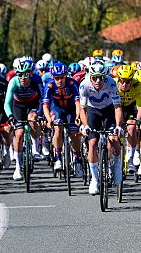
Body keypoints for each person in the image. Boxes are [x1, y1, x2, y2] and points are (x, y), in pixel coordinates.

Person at [80, 61, 124, 196]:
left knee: (113, 137)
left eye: (101, 78)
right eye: (95, 78)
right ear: (90, 77)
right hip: (93, 111)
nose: (98, 81)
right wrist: (85, 125)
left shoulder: (111, 83)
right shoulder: (84, 85)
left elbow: (117, 107)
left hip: (108, 110)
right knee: (92, 143)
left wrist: (118, 126)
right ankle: (94, 178)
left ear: (106, 77)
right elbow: (83, 108)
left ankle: (116, 164)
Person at [3, 59, 44, 181]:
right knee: (19, 134)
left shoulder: (36, 80)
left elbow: (42, 99)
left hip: (32, 104)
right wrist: (10, 116)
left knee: (33, 120)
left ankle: (36, 149)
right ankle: (17, 167)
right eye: (20, 74)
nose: (23, 77)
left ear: (30, 74)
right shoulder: (13, 82)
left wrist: (40, 114)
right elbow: (7, 103)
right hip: (18, 106)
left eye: (26, 74)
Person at [42, 61, 84, 177]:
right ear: (53, 77)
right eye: (57, 78)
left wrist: (78, 117)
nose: (60, 80)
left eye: (62, 77)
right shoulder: (49, 86)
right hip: (57, 109)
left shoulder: (72, 83)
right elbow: (45, 105)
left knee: (74, 134)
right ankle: (58, 157)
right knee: (58, 127)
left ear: (66, 76)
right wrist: (48, 120)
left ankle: (77, 158)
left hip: (71, 109)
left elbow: (78, 103)